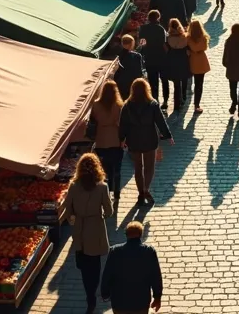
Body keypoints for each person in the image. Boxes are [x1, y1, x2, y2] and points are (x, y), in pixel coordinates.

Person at [66, 152, 114, 313]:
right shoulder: (102, 187)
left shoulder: (73, 186)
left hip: (80, 227)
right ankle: (92, 294)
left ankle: (89, 293)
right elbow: (109, 211)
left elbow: (68, 209)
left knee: (83, 265)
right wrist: (102, 215)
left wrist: (73, 219)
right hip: (95, 228)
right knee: (95, 265)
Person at [119, 79, 173, 206]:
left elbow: (123, 124)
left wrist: (122, 139)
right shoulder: (152, 104)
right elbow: (160, 121)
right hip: (150, 138)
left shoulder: (127, 106)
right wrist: (168, 135)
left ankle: (140, 193)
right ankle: (146, 189)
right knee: (150, 166)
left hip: (134, 139)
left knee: (138, 167)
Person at [101, 221, 164, 314]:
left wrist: (105, 294)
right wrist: (157, 297)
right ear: (141, 234)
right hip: (141, 302)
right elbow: (156, 276)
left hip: (119, 302)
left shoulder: (115, 251)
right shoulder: (149, 252)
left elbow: (107, 274)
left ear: (126, 234)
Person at [91, 81, 125, 202]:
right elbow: (122, 125)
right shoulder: (119, 106)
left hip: (101, 141)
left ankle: (107, 193)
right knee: (117, 170)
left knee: (105, 170)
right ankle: (117, 193)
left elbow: (93, 120)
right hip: (116, 141)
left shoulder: (96, 105)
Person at [138, 10, 168, 94]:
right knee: (164, 79)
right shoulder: (161, 29)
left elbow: (142, 43)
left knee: (152, 80)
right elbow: (163, 43)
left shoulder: (143, 29)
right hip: (161, 57)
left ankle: (155, 98)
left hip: (149, 57)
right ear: (158, 18)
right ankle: (165, 100)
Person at [164, 19, 191, 112]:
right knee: (184, 80)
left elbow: (166, 50)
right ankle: (183, 97)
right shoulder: (185, 37)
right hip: (183, 60)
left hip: (173, 61)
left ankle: (176, 103)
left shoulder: (168, 38)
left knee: (176, 84)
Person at [187, 19, 211, 114]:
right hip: (201, 62)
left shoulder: (188, 38)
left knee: (191, 82)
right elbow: (202, 48)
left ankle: (186, 100)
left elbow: (194, 48)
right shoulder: (204, 37)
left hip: (191, 61)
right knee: (199, 85)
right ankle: (197, 104)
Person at [113, 34, 146, 101]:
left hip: (120, 83)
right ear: (132, 43)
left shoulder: (117, 56)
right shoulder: (137, 56)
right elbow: (139, 72)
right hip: (133, 84)